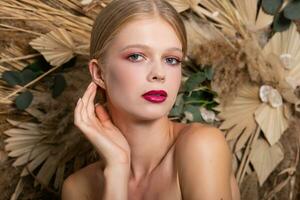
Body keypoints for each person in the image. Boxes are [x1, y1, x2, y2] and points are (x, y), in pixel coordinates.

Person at [61, 0, 241, 199]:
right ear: (99, 73)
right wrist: (117, 170)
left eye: (171, 59)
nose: (159, 73)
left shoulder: (201, 146)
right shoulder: (77, 189)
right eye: (137, 56)